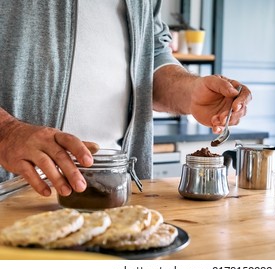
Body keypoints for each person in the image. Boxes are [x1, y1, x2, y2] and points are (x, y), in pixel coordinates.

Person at [0, 0, 251, 198]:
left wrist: (190, 91)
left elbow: (150, 55)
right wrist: (6, 133)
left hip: (118, 190)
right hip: (14, 193)